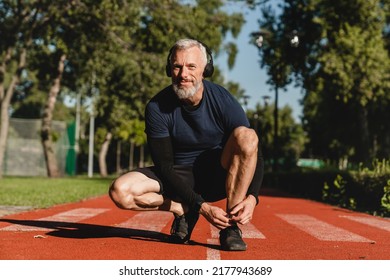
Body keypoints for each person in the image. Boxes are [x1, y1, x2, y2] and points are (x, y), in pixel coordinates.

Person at [109, 38, 263, 251]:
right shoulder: (156, 107)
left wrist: (253, 197)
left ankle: (230, 226)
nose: (183, 74)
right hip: (177, 178)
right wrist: (202, 207)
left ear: (204, 70)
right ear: (169, 69)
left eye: (191, 66)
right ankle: (182, 210)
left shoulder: (222, 98)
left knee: (247, 135)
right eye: (177, 66)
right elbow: (164, 167)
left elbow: (252, 147)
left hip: (218, 174)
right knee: (120, 191)